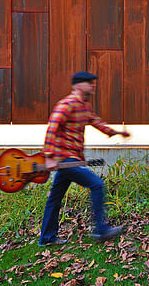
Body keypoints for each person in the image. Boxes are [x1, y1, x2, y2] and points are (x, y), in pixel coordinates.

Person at [39, 71, 130, 246]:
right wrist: (48, 156)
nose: (93, 85)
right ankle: (100, 229)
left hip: (72, 159)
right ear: (79, 85)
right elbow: (53, 127)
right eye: (90, 82)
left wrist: (117, 133)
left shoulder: (83, 106)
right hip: (65, 159)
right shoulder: (67, 104)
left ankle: (47, 238)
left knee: (55, 198)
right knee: (96, 184)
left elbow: (97, 122)